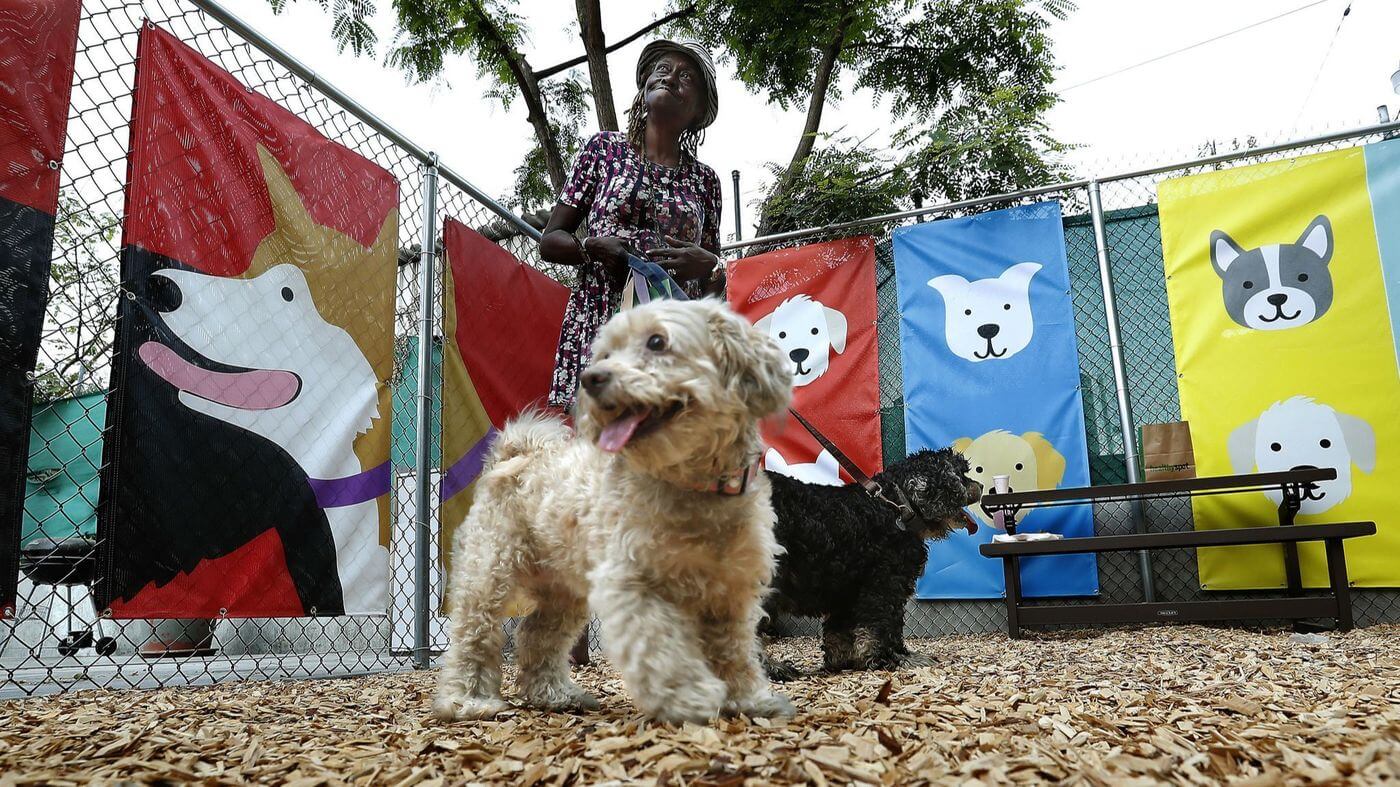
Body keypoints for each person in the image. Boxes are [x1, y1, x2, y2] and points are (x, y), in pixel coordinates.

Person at [539, 39, 725, 414]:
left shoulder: (706, 182)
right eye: (663, 70)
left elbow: (713, 293)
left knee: (664, 455)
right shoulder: (604, 150)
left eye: (685, 76)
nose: (671, 78)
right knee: (598, 457)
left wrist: (711, 267)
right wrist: (591, 247)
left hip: (668, 340)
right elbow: (550, 241)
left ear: (699, 109)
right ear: (644, 84)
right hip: (602, 320)